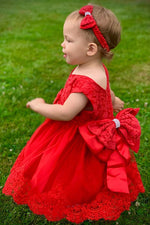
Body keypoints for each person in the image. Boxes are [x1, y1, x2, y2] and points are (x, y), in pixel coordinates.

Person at [2, 4, 144, 224]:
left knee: (71, 172)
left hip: (78, 138)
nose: (62, 44)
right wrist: (112, 100)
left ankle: (75, 196)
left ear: (90, 49)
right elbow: (104, 89)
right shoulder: (96, 69)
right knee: (96, 170)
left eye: (68, 40)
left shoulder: (85, 81)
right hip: (95, 133)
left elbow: (66, 112)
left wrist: (40, 105)